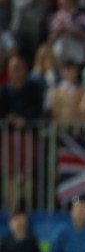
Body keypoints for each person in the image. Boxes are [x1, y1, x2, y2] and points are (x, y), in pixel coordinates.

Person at [0, 55, 44, 212]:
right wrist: (9, 118)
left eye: (19, 67)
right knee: (10, 174)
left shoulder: (33, 88)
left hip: (28, 134)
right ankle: (12, 209)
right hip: (9, 135)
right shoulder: (4, 90)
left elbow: (38, 109)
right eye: (13, 68)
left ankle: (28, 208)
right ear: (8, 70)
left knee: (27, 174)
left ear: (25, 69)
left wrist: (24, 119)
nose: (16, 71)